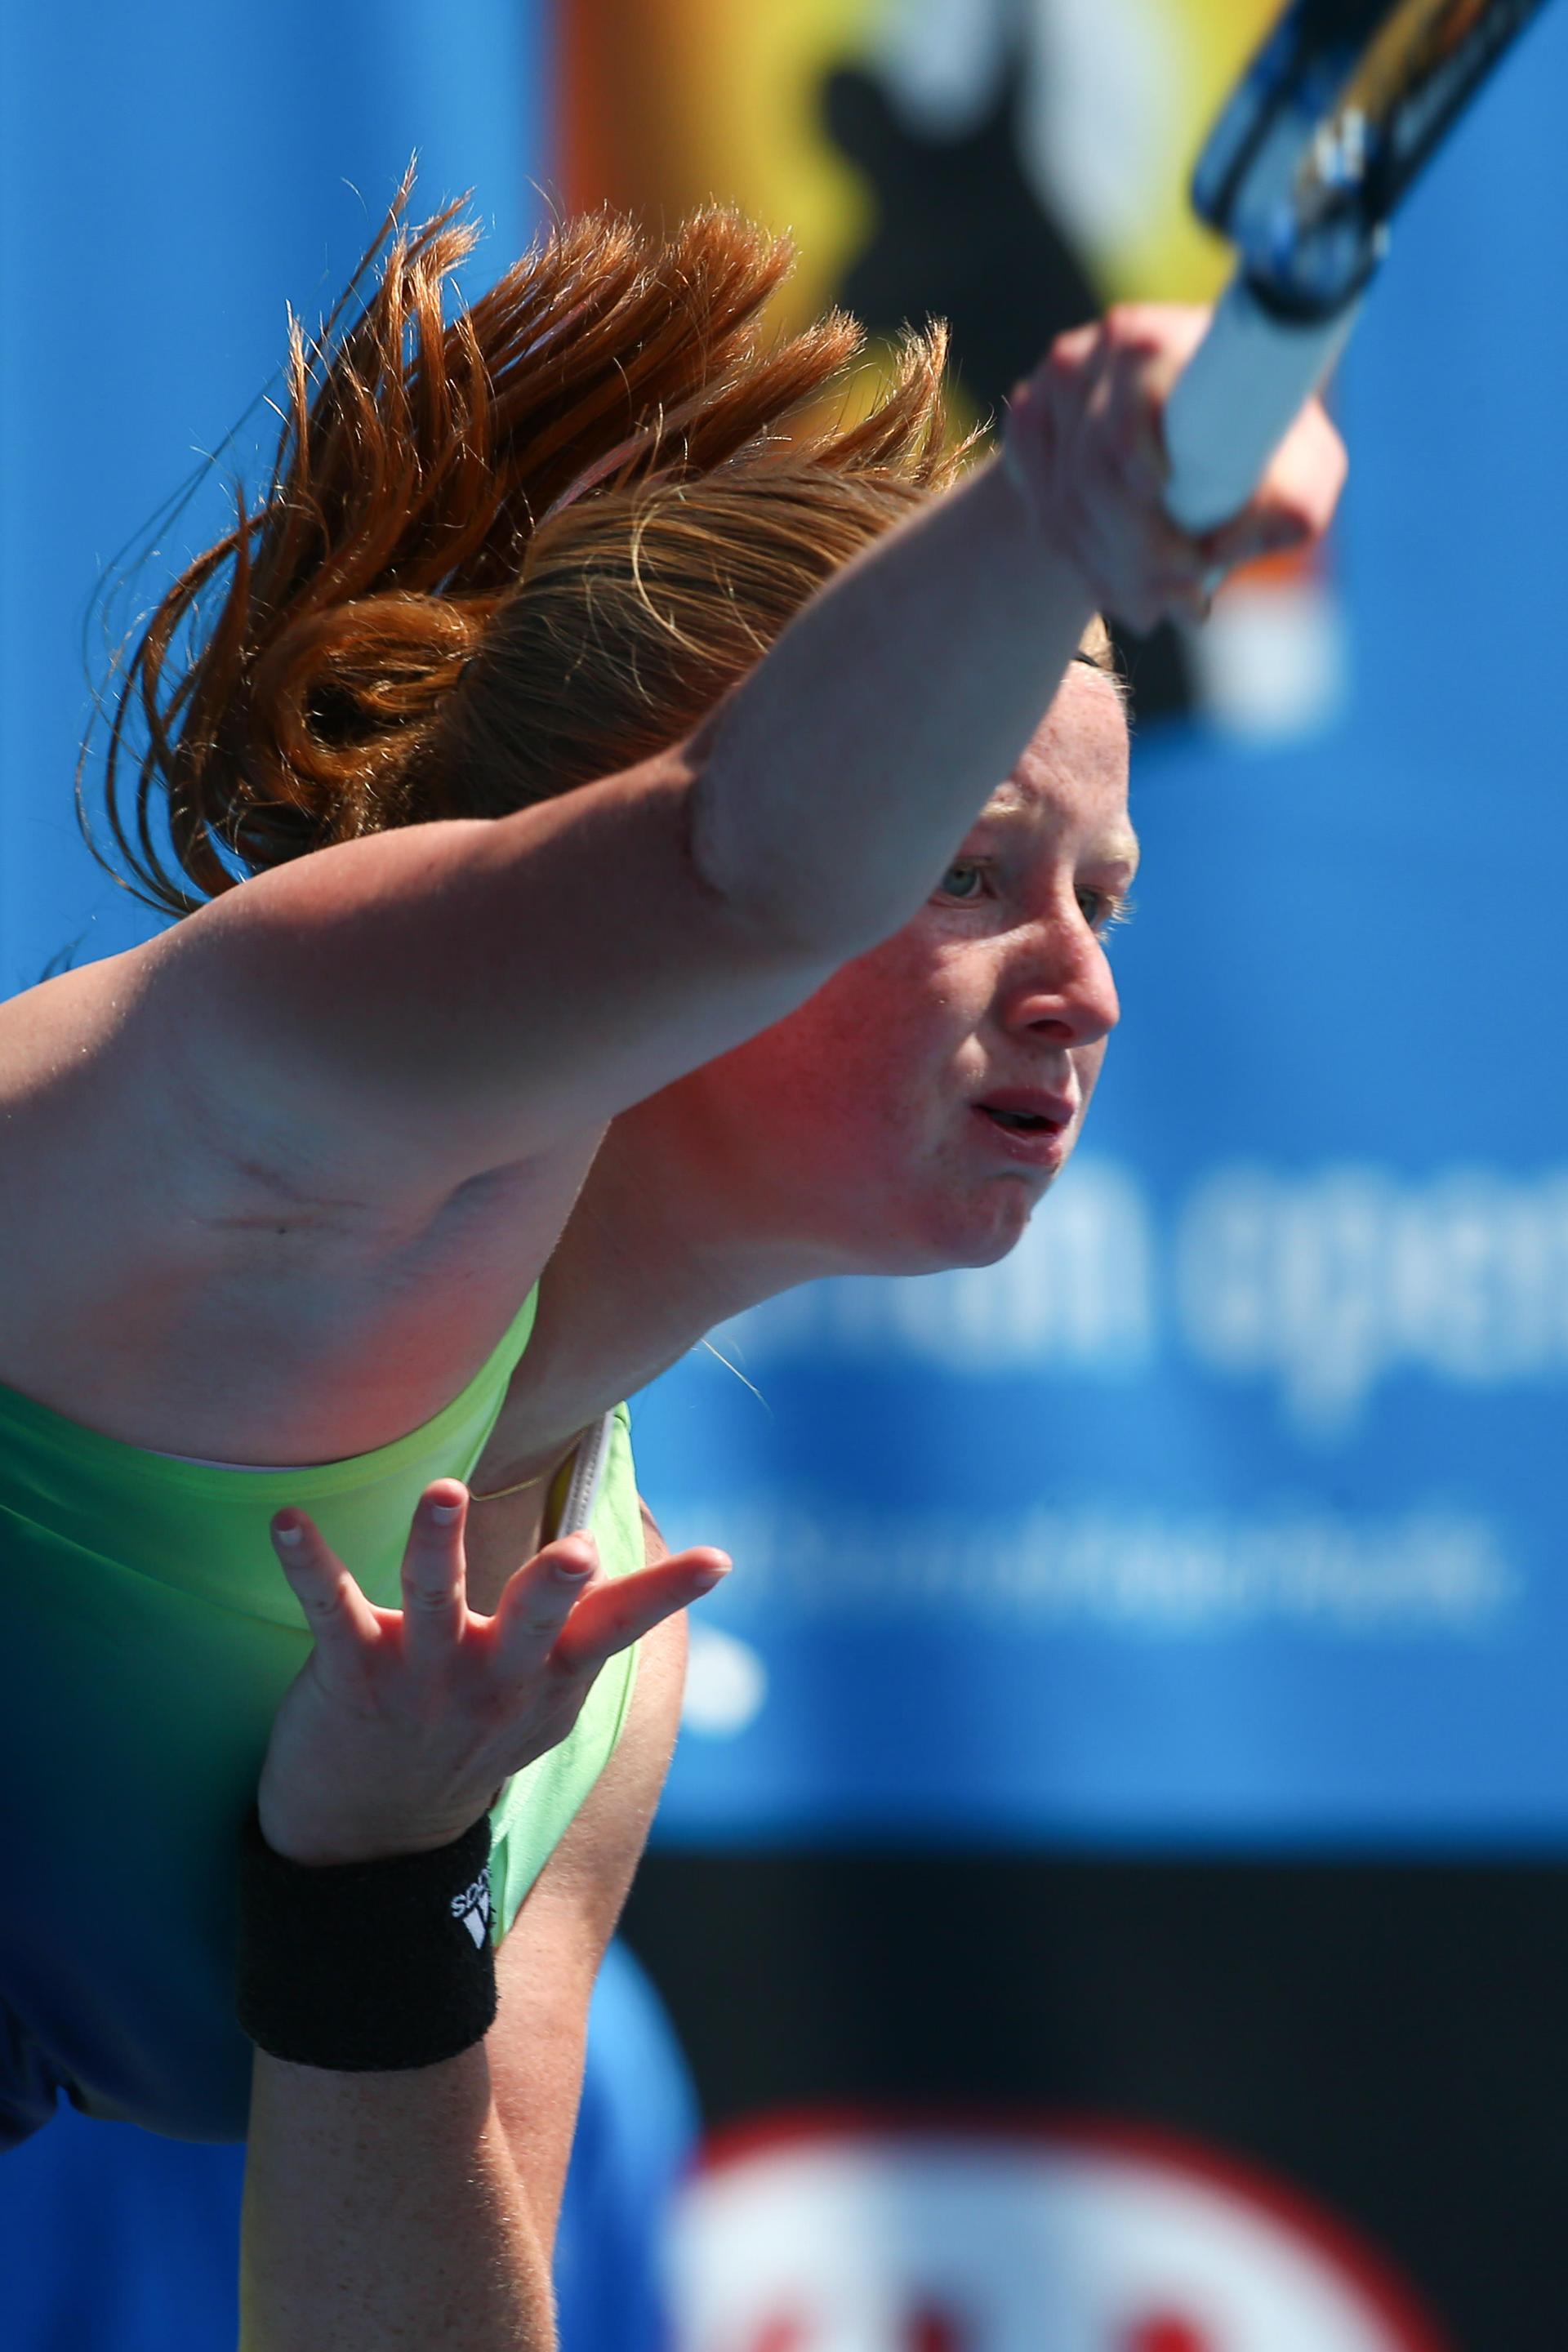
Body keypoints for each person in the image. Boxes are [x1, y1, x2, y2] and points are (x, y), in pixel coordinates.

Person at [0, 189, 1344, 2348]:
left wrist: (375, 1894)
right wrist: (1047, 520)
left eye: (1106, 890)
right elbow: (741, 864)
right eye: (974, 865)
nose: (1080, 985)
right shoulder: (284, 1117)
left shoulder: (594, 1679)